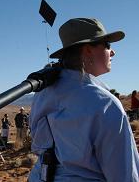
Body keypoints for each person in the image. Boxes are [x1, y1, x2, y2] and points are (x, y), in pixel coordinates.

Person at [28, 18, 139, 181]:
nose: (112, 52)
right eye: (107, 45)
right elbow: (124, 175)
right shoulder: (105, 104)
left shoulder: (43, 93)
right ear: (87, 50)